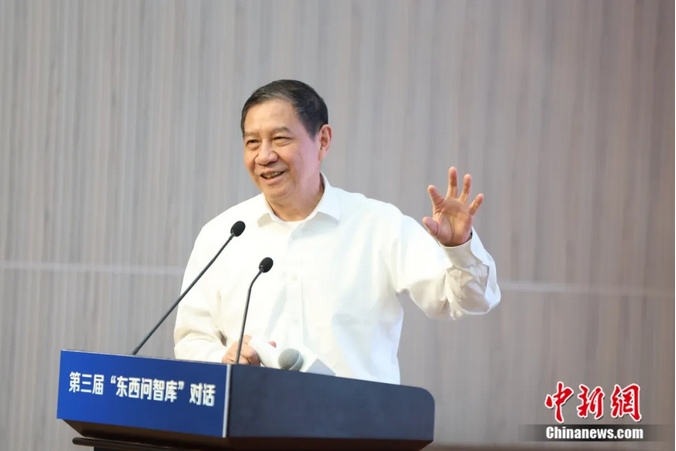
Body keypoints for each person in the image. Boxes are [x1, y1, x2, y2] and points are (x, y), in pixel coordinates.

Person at [173, 79, 500, 384]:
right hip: (250, 419)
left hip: (357, 421)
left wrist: (459, 248)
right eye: (252, 142)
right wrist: (222, 359)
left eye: (280, 139)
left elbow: (469, 301)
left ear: (323, 140)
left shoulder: (378, 225)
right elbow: (192, 338)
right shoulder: (223, 234)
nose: (265, 156)